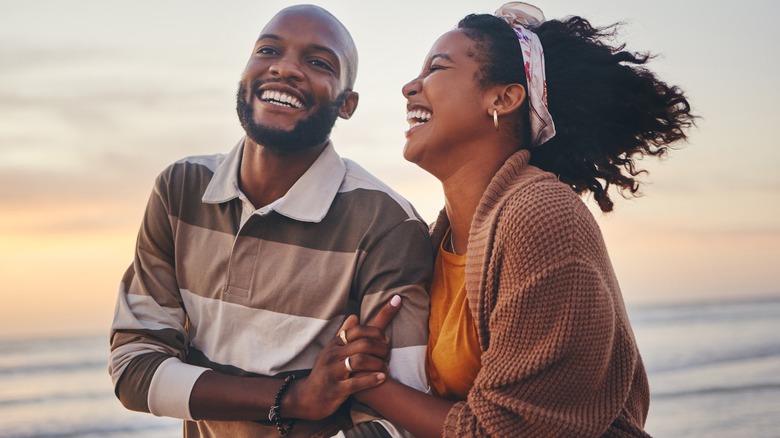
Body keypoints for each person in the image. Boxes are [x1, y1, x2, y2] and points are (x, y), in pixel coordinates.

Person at [347, 2, 695, 437]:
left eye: (436, 68)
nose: (409, 87)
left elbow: (504, 431)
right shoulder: (440, 240)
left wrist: (370, 386)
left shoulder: (540, 215)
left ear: (503, 98)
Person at [108, 5, 432, 437]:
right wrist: (292, 398)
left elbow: (395, 424)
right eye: (268, 50)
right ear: (244, 74)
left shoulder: (386, 223)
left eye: (318, 62)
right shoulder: (180, 191)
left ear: (346, 105)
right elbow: (133, 368)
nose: (285, 68)